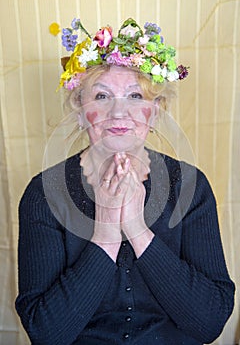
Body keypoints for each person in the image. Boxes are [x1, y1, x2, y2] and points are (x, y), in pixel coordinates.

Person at [15, 18, 235, 345]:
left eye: (135, 96)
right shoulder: (44, 194)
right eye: (102, 97)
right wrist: (105, 232)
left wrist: (136, 228)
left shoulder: (191, 186)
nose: (119, 113)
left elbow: (209, 323)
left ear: (155, 112)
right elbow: (46, 334)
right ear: (79, 110)